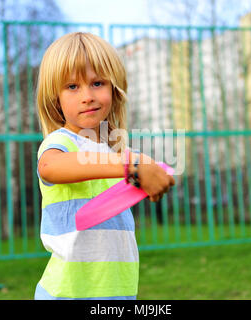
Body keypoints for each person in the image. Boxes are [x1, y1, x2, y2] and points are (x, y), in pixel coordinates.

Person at [34, 32, 175, 300]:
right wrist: (131, 165)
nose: (87, 96)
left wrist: (152, 173)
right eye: (72, 87)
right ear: (56, 99)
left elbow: (135, 171)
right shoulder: (60, 142)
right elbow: (51, 166)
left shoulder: (113, 150)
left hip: (116, 291)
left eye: (97, 83)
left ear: (113, 89)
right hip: (69, 293)